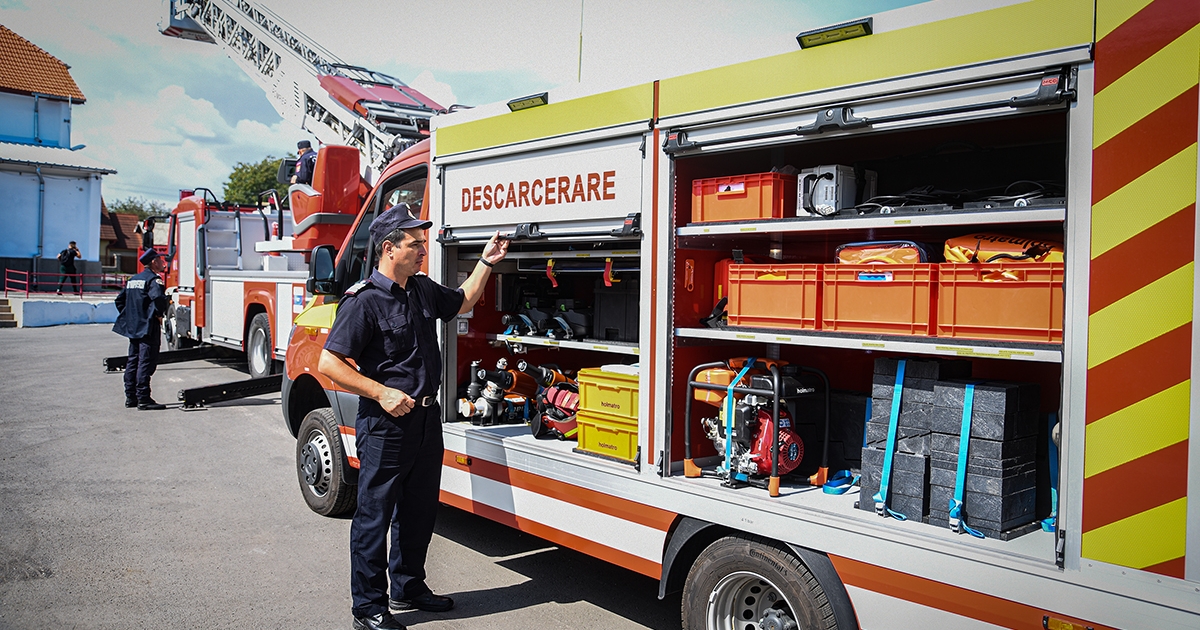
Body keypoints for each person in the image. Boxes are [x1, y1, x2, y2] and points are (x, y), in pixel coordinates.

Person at [318, 203, 508, 630]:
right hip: (385, 425)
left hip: (425, 420)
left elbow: (462, 302)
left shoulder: (420, 289)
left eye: (422, 244)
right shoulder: (363, 301)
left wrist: (485, 262)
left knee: (419, 509)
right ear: (389, 248)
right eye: (415, 244)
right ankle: (367, 608)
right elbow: (329, 363)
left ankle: (408, 586)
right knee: (374, 515)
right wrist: (381, 392)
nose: (423, 251)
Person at [113, 249, 169, 411]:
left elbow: (120, 300)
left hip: (134, 326)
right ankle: (143, 398)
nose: (162, 262)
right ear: (153, 262)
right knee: (146, 361)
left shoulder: (133, 279)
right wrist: (158, 314)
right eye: (159, 259)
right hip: (147, 327)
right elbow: (158, 298)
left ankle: (131, 397)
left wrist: (132, 315)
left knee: (133, 360)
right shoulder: (153, 280)